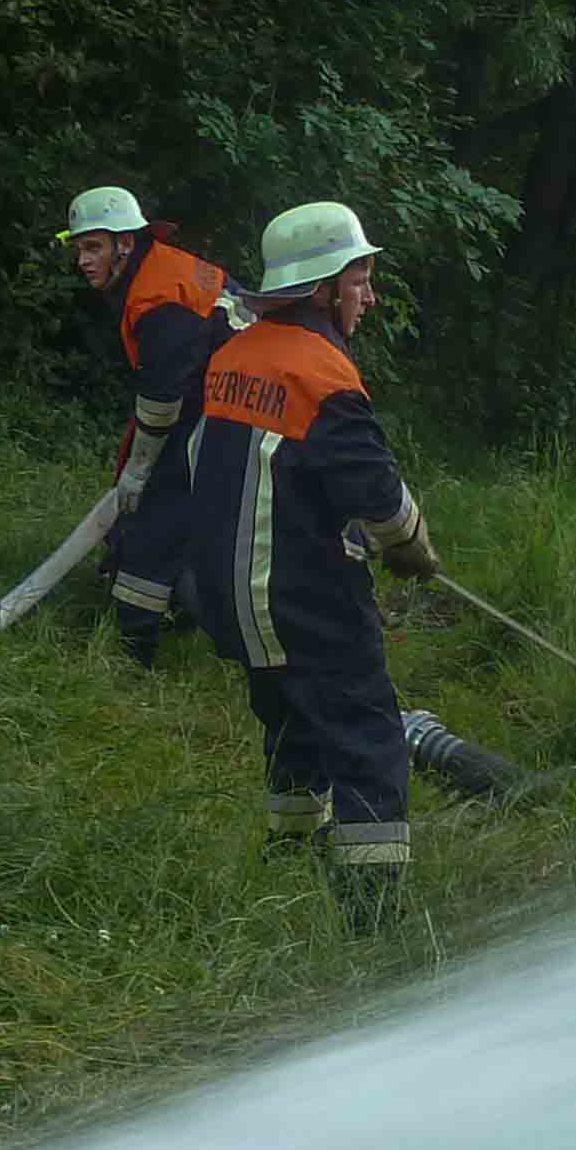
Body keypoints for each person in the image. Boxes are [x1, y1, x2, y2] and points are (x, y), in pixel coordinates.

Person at [181, 202, 438, 926]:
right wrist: (413, 550)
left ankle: (287, 867)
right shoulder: (324, 376)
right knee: (369, 738)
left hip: (231, 600)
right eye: (362, 279)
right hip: (301, 598)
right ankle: (370, 916)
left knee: (291, 725)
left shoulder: (234, 355)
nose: (371, 296)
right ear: (324, 288)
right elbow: (378, 498)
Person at [58, 182, 236, 667]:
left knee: (155, 513)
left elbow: (161, 398)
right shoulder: (160, 272)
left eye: (93, 246)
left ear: (126, 243)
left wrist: (138, 471)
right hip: (220, 402)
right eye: (78, 249)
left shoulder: (157, 296)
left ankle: (133, 651)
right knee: (164, 503)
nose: (83, 261)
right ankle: (181, 606)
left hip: (228, 409)